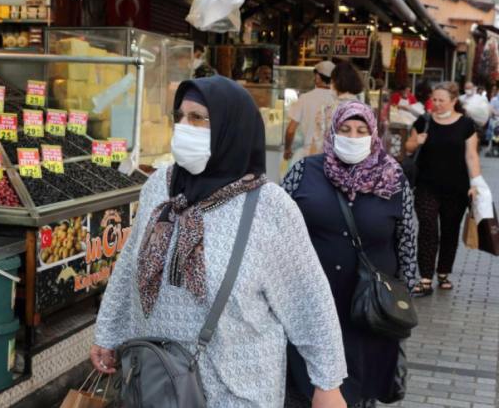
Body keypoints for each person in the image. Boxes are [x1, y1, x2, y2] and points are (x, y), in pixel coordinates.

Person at [90, 75, 348, 408]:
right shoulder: (160, 187)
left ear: (231, 127)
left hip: (236, 390)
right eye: (180, 117)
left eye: (198, 118)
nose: (184, 126)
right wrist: (108, 333)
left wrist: (327, 384)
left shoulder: (270, 207)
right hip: (157, 382)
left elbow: (308, 298)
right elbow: (129, 264)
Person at [282, 101, 416, 408]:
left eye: (360, 130)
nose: (352, 136)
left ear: (373, 134)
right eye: (344, 129)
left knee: (360, 391)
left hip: (368, 310)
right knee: (302, 389)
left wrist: (402, 305)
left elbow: (406, 244)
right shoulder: (304, 170)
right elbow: (273, 226)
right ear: (333, 132)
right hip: (309, 305)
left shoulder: (394, 179)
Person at [406, 82, 481, 295]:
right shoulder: (424, 120)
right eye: (434, 100)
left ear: (454, 101)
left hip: (457, 188)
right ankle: (425, 277)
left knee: (449, 232)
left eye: (441, 100)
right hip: (426, 186)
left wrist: (476, 183)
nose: (437, 104)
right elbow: (408, 146)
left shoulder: (466, 124)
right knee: (428, 229)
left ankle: (443, 272)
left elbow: (471, 155)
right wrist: (416, 141)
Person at [307, 62, 365, 156]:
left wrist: (310, 165)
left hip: (331, 163)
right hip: (356, 164)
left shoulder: (326, 107)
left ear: (335, 82)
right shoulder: (364, 109)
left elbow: (317, 143)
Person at [284, 61, 336, 161]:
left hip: (310, 155)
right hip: (332, 158)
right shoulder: (338, 99)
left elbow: (290, 130)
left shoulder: (305, 98)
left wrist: (287, 149)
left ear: (317, 77)